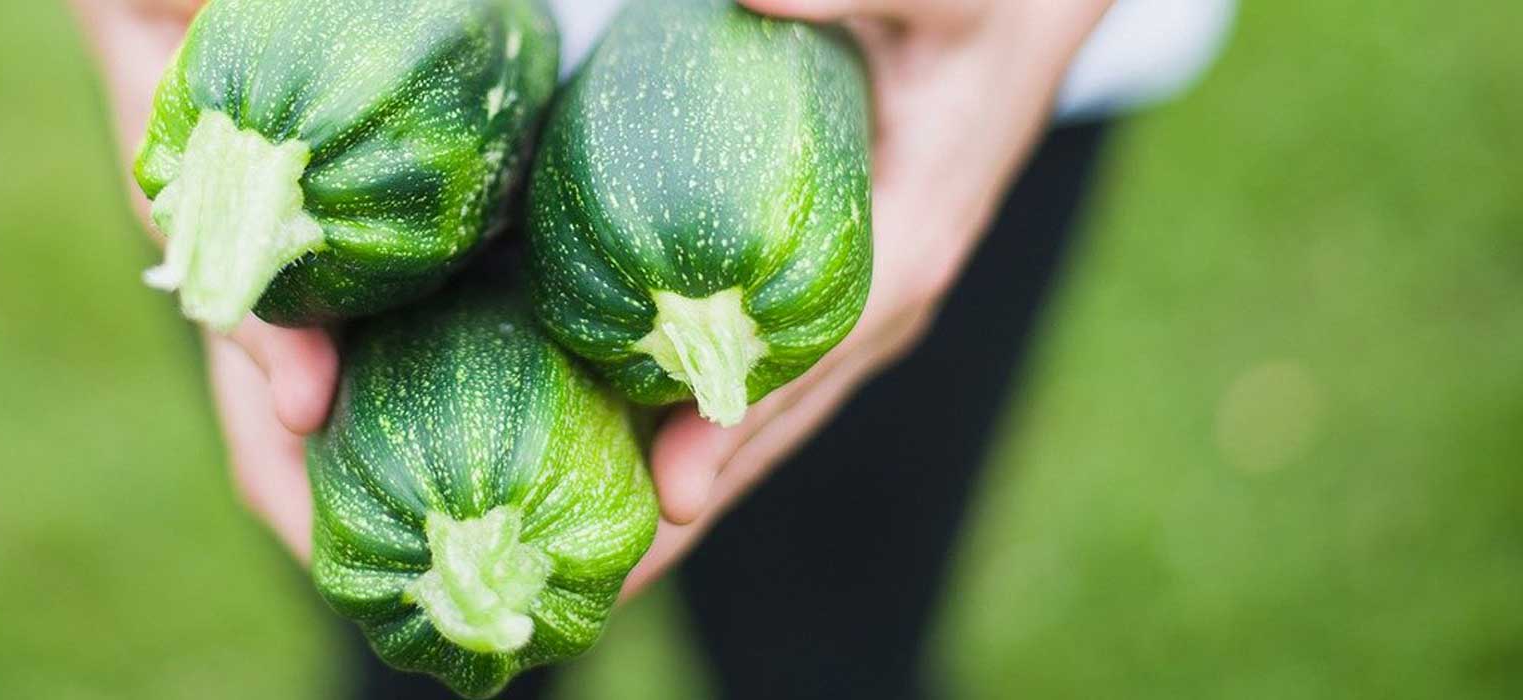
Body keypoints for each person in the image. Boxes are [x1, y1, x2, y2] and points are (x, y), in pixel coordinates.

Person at [70, 0, 1231, 696]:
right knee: (419, 659)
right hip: (321, 62)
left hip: (906, 46)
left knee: (826, 650)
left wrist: (1037, 23)